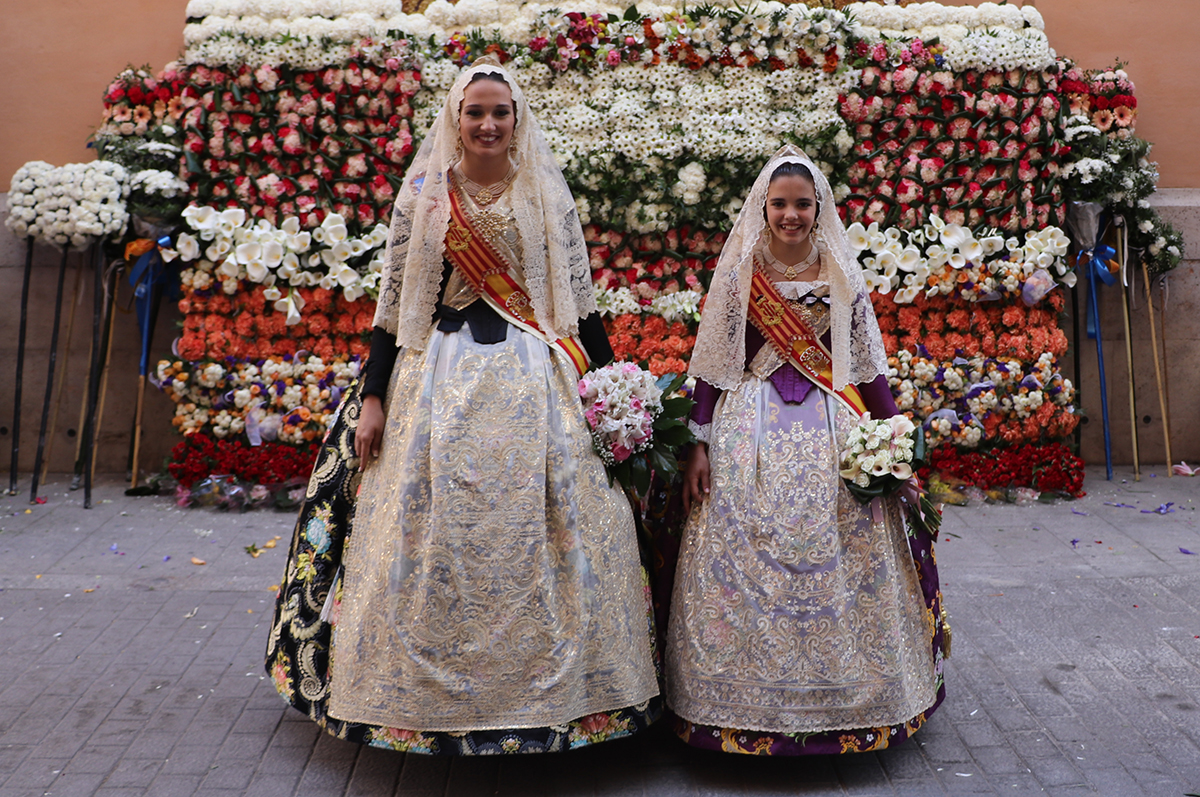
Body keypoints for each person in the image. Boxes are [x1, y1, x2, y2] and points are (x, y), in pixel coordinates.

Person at [265, 57, 659, 755]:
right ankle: (420, 701)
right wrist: (375, 398)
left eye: (498, 112)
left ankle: (563, 699)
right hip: (436, 381)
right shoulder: (422, 197)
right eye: (474, 112)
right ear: (455, 118)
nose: (486, 123)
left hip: (535, 379)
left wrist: (611, 386)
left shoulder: (545, 194)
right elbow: (391, 310)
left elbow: (580, 305)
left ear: (517, 120)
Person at [664, 145, 946, 755]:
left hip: (831, 425)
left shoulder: (840, 269)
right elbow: (713, 367)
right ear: (762, 209)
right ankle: (735, 702)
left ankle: (852, 694)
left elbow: (867, 366)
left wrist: (892, 439)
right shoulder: (741, 272)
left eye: (801, 204)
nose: (790, 215)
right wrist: (699, 445)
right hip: (750, 427)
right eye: (779, 205)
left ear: (818, 208)